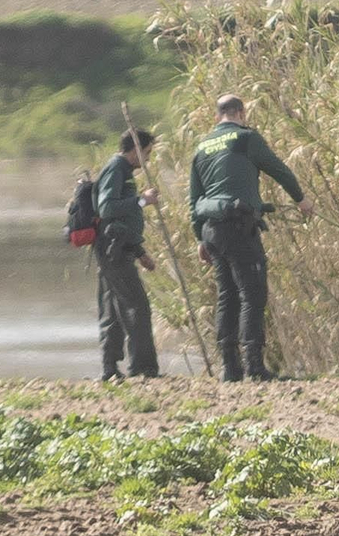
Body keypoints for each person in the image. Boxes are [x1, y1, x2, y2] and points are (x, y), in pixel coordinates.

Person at [189, 94, 315, 382]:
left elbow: (194, 198)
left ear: (216, 116)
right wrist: (301, 200)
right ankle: (255, 366)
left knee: (227, 295)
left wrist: (199, 238)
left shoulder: (202, 147)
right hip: (238, 226)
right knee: (252, 293)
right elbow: (278, 169)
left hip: (212, 229)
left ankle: (230, 369)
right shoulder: (246, 138)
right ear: (241, 113)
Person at [95, 130, 161, 380]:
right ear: (135, 150)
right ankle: (143, 368)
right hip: (113, 251)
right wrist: (142, 201)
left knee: (112, 311)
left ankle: (110, 369)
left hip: (118, 248)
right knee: (137, 307)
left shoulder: (123, 170)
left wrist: (140, 252)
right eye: (147, 153)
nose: (148, 160)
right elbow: (107, 207)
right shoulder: (117, 168)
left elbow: (122, 219)